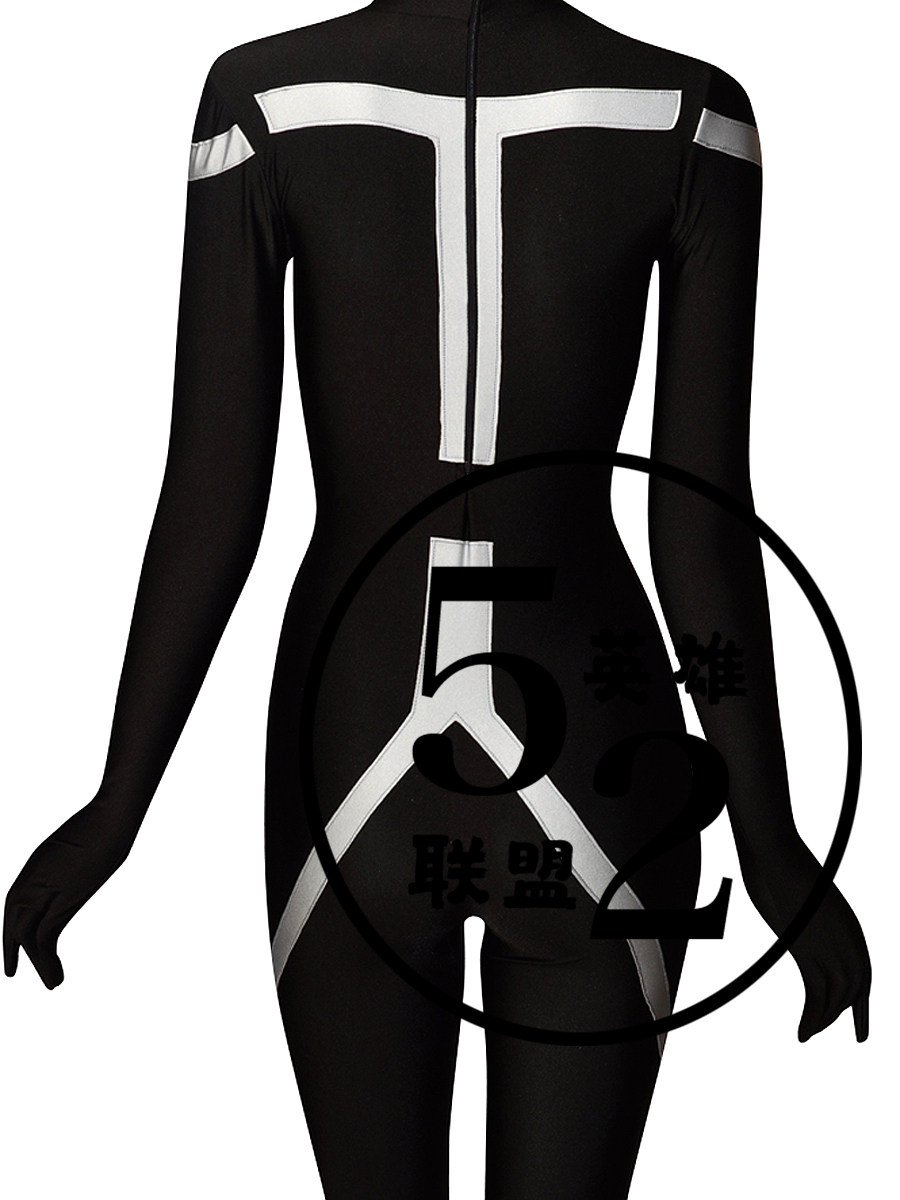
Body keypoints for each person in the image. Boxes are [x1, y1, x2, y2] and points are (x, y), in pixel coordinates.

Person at [3, 1, 871, 1196]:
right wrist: (773, 844)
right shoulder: (690, 115)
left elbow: (212, 503)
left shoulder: (264, 104)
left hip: (350, 744)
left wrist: (118, 802)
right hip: (598, 755)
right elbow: (699, 527)